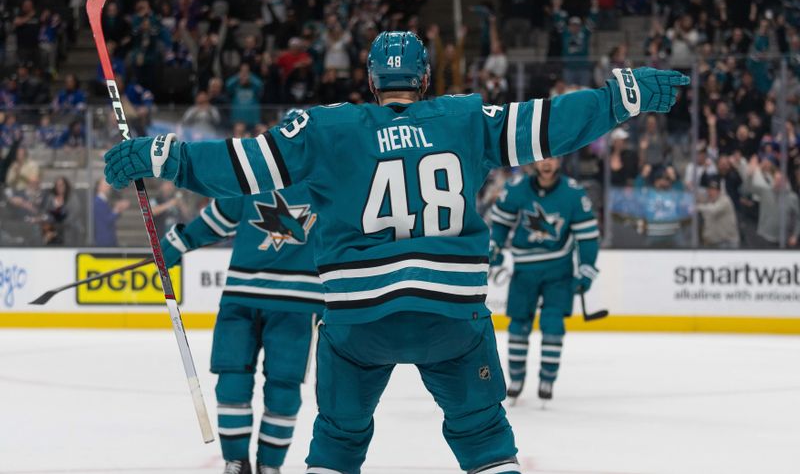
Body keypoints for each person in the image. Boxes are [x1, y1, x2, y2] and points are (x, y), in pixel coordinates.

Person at [104, 31, 689, 474]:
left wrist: (168, 158)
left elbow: (243, 168)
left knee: (336, 440)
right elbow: (549, 124)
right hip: (451, 318)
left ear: (371, 82)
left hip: (358, 324)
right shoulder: (464, 118)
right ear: (426, 78)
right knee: (485, 436)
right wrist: (620, 100)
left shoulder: (327, 127)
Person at [158, 115, 323, 474]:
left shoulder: (322, 181)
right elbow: (219, 216)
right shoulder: (271, 179)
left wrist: (176, 243)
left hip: (289, 303)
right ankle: (242, 462)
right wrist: (176, 243)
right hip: (253, 299)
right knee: (238, 382)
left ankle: (263, 465)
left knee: (279, 388)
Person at [488, 158, 599, 401]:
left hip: (558, 271)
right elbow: (500, 225)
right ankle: (516, 378)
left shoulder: (573, 193)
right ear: (533, 162)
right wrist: (494, 248)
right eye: (542, 158)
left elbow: (588, 237)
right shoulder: (516, 188)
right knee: (518, 324)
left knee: (553, 324)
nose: (547, 163)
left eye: (554, 157)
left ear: (561, 160)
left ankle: (547, 379)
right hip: (524, 271)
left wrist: (587, 268)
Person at [697, 178, 739, 248]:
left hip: (727, 242)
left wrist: (697, 207)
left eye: (714, 190)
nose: (711, 192)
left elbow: (714, 209)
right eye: (709, 190)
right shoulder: (707, 202)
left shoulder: (725, 200)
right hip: (713, 242)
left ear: (719, 191)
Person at [93, 179, 129, 247]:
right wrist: (117, 209)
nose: (108, 187)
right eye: (105, 185)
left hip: (108, 237)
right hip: (104, 239)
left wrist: (118, 209)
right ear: (99, 187)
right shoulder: (98, 201)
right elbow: (107, 220)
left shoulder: (103, 200)